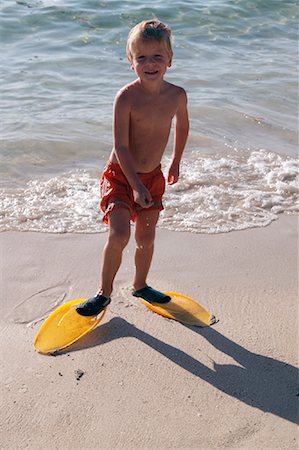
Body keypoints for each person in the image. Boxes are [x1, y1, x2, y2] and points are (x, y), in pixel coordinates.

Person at [76, 19, 189, 316]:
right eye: (141, 57)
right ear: (131, 61)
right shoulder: (126, 97)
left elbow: (183, 127)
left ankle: (140, 285)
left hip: (152, 177)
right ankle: (104, 293)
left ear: (170, 60)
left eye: (157, 57)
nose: (149, 63)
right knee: (119, 235)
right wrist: (135, 186)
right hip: (120, 176)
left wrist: (176, 160)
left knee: (147, 238)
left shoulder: (177, 95)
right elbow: (121, 146)